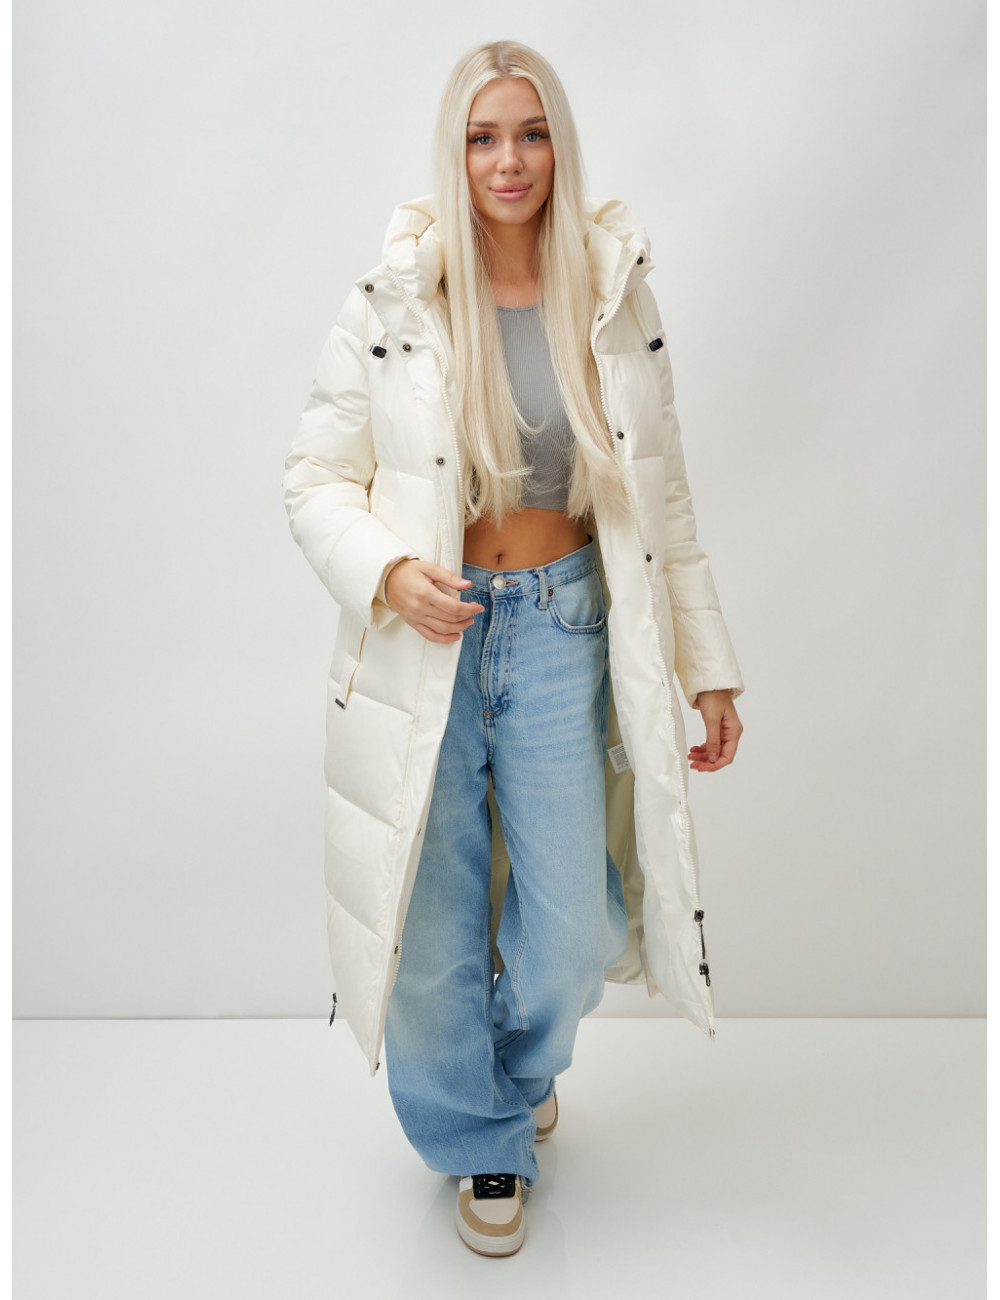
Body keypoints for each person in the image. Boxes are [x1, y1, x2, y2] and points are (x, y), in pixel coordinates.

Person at [283, 39, 745, 1257]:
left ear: (558, 147)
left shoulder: (610, 291)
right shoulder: (394, 302)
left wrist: (707, 665)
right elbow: (313, 479)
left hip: (563, 622)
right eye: (483, 135)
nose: (508, 159)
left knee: (574, 924)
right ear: (455, 149)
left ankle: (514, 1068)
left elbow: (663, 493)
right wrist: (388, 573)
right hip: (427, 636)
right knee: (431, 916)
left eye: (530, 133)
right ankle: (481, 1132)